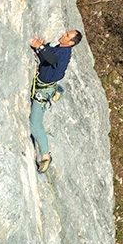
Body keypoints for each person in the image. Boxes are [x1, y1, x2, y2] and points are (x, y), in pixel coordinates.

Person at [29, 29, 82, 173]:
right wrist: (42, 46)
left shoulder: (64, 53)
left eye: (66, 36)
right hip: (44, 84)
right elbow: (50, 54)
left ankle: (46, 156)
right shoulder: (60, 48)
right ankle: (57, 90)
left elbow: (52, 59)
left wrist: (39, 47)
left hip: (43, 91)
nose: (63, 34)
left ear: (70, 42)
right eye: (65, 33)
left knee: (35, 125)